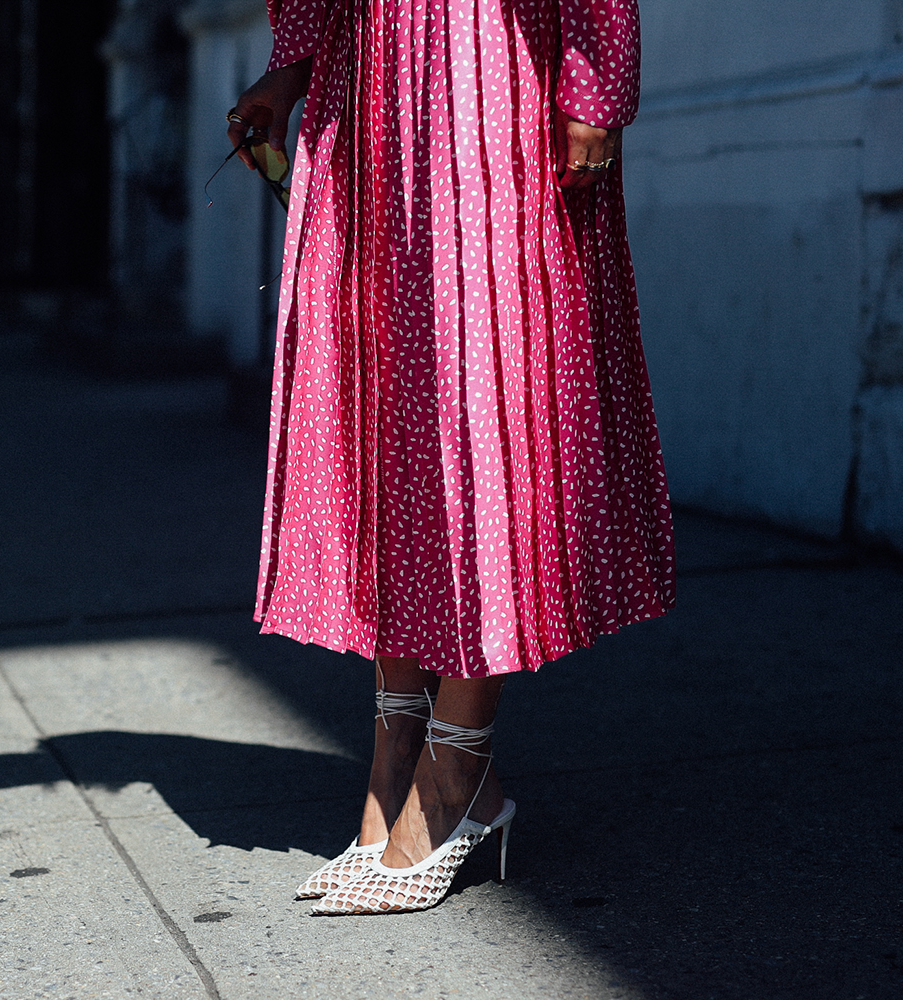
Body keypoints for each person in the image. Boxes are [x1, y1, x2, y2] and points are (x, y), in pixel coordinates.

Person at [227, 0, 674, 914]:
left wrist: (593, 79)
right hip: (372, 83)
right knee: (381, 406)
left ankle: (458, 764)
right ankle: (396, 752)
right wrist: (298, 58)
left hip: (490, 68)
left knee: (481, 406)